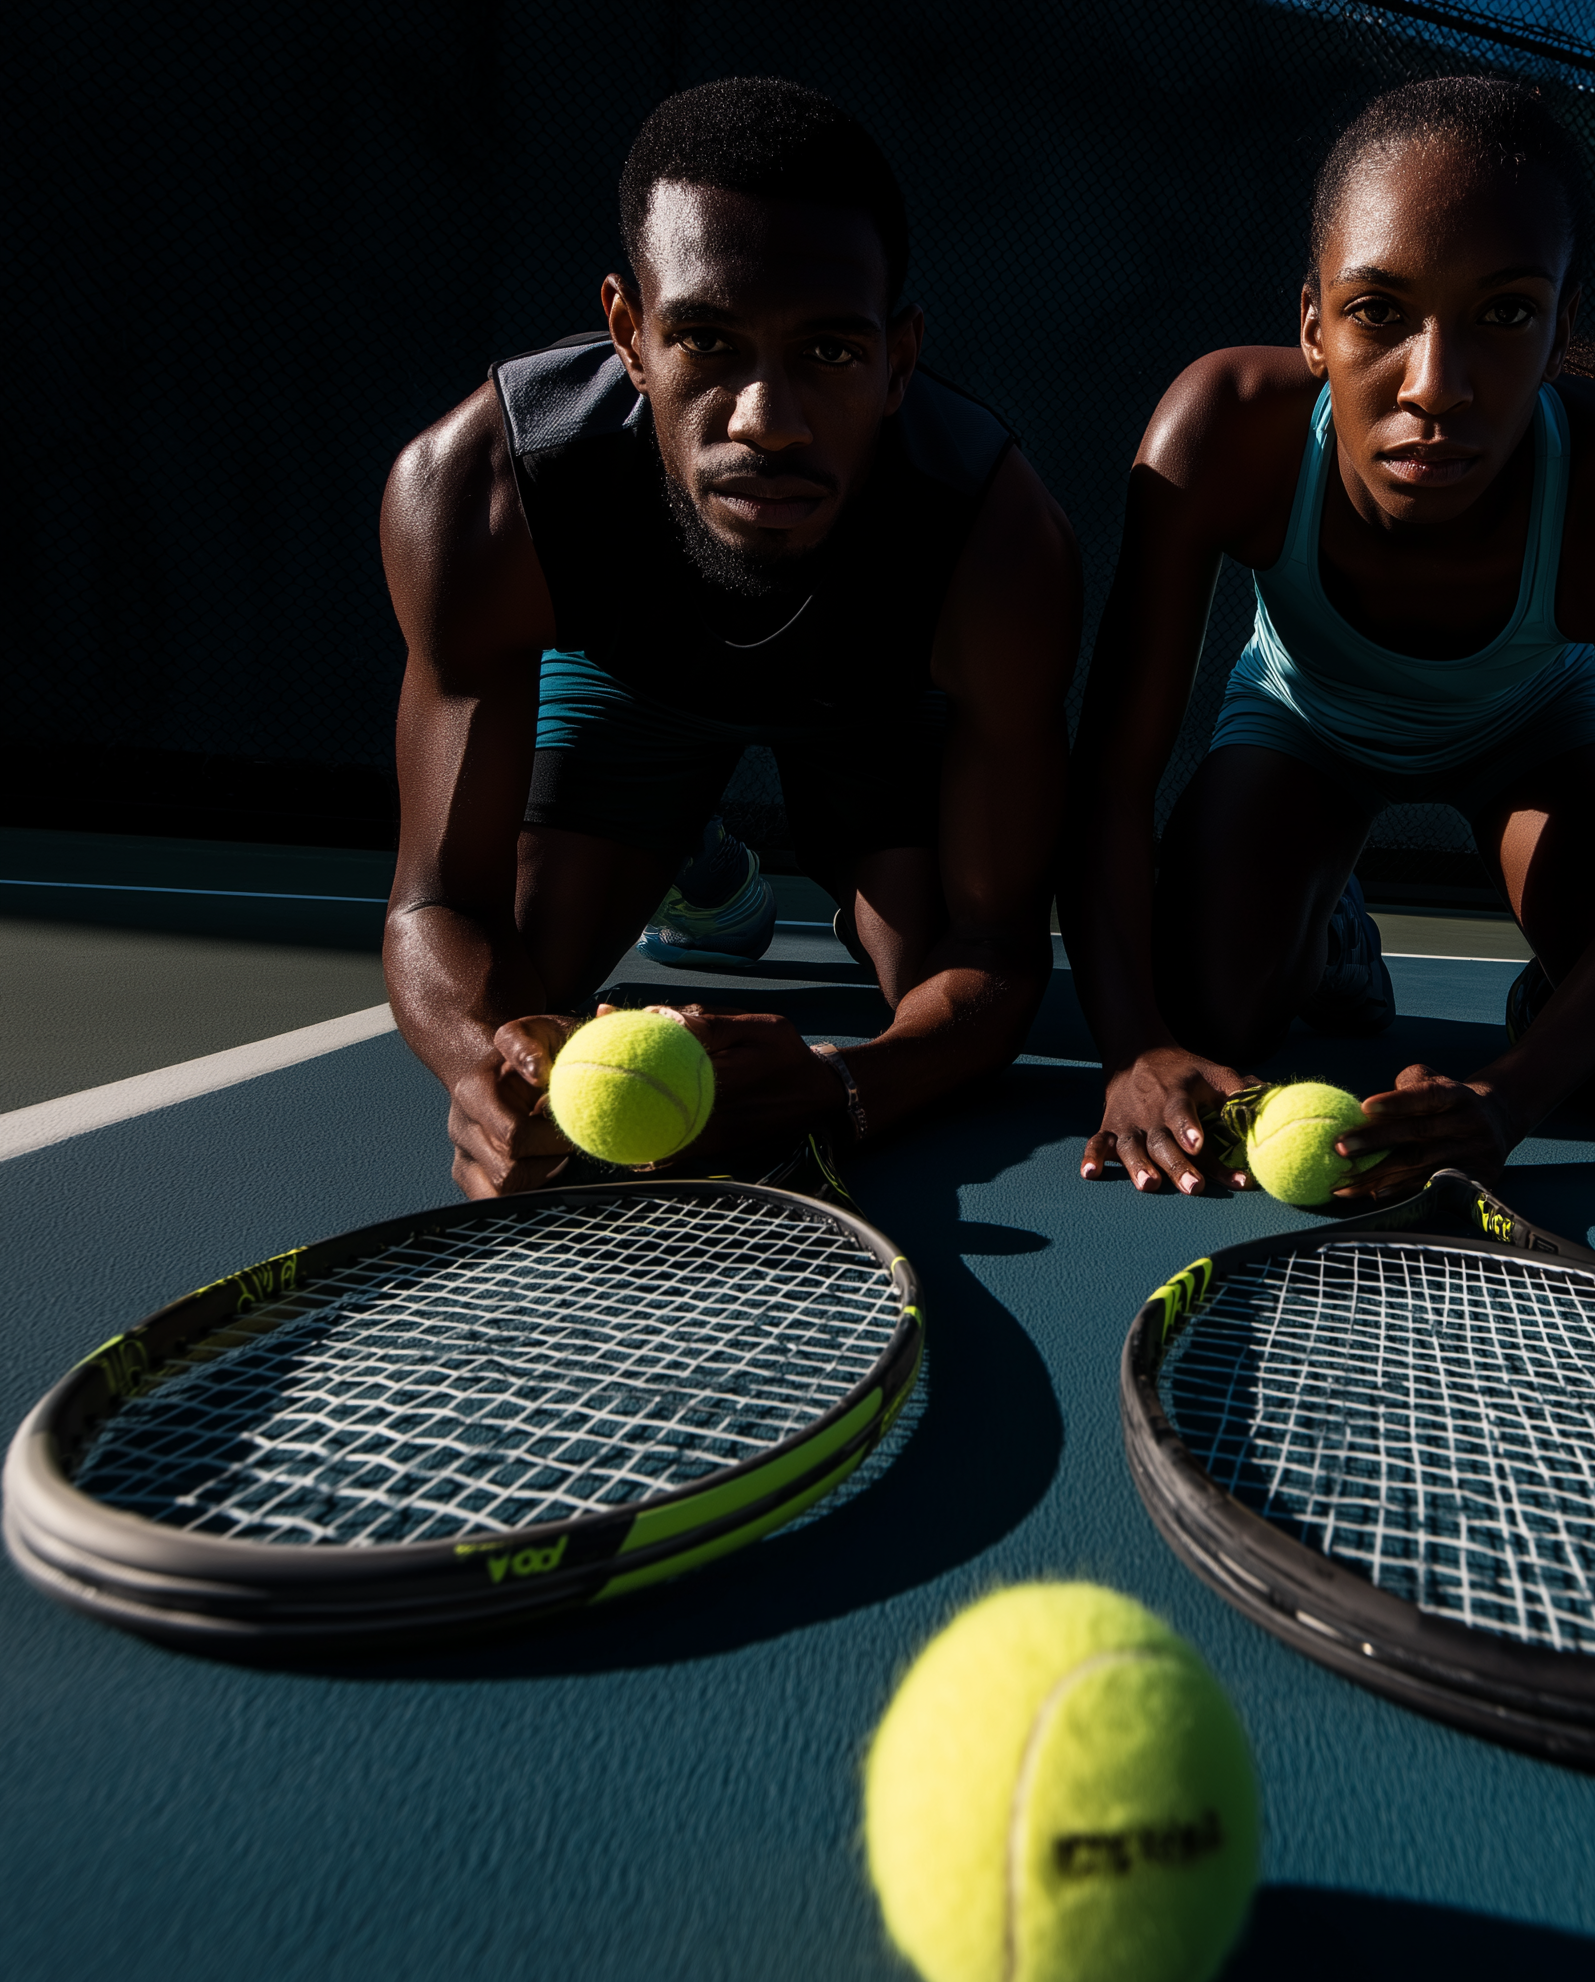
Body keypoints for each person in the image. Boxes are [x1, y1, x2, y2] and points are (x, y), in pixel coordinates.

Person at [381, 78, 1079, 1197]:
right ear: (629, 335)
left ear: (900, 359)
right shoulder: (480, 494)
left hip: (870, 701)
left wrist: (847, 1087)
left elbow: (996, 957)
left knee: (924, 969)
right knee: (531, 965)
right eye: (706, 340)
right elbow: (435, 905)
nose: (768, 418)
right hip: (632, 690)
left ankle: (704, 850)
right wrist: (495, 1077)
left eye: (831, 354)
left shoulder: (995, 541)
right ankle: (703, 873)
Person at [1065, 74, 1595, 1200]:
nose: (1436, 386)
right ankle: (1331, 934)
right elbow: (1107, 783)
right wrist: (1130, 1048)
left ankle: (1553, 983)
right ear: (1311, 323)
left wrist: (1513, 1091)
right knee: (1206, 1013)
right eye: (1378, 311)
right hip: (1304, 727)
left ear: (1559, 327)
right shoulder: (1220, 429)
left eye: (1504, 313)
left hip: (1530, 735)